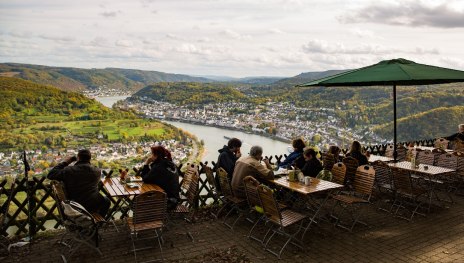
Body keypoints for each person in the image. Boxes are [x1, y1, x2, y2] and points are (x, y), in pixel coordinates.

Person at [48, 149, 110, 217]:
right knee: (106, 201)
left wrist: (67, 162)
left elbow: (51, 174)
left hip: (75, 206)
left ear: (78, 157)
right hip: (93, 204)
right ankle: (98, 221)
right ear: (90, 158)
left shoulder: (69, 170)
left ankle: (89, 222)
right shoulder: (97, 171)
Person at [141, 145, 180, 210]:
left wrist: (146, 163)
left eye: (152, 154)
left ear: (156, 155)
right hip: (174, 199)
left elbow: (145, 179)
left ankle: (147, 218)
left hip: (168, 202)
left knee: (141, 200)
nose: (151, 156)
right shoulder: (169, 163)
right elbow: (149, 177)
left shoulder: (159, 167)